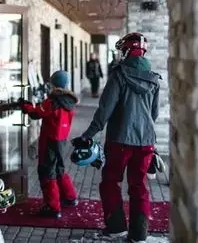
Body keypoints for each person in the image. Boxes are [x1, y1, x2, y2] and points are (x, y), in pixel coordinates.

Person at [72, 33, 160, 242]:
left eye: (123, 50)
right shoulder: (154, 79)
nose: (121, 54)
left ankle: (116, 227)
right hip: (146, 141)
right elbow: (154, 114)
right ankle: (139, 234)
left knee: (111, 182)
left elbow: (105, 111)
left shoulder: (119, 75)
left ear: (128, 51)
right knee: (139, 186)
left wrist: (87, 135)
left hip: (120, 140)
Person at [19, 70, 78, 218]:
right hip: (62, 140)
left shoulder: (53, 101)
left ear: (54, 84)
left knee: (47, 171)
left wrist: (25, 106)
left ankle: (52, 207)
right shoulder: (69, 101)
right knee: (59, 168)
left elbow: (37, 113)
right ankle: (70, 197)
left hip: (49, 139)